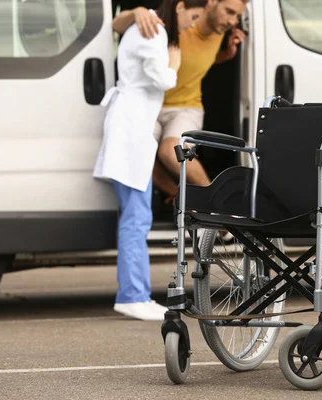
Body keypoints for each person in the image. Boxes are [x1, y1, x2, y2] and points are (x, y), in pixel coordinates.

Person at [93, 0, 207, 321]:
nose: (192, 25)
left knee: (136, 214)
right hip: (131, 130)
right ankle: (132, 296)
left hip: (133, 128)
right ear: (181, 6)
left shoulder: (148, 26)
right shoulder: (153, 30)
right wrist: (174, 65)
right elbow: (160, 79)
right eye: (193, 16)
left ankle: (136, 294)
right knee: (136, 217)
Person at [112, 0, 247, 202]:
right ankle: (178, 196)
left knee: (171, 150)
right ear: (211, 3)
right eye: (229, 12)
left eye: (237, 16)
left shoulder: (220, 32)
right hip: (151, 106)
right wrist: (137, 13)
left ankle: (218, 204)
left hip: (187, 107)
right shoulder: (180, 23)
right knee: (136, 151)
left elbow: (199, 60)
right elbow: (115, 24)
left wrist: (226, 54)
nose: (232, 21)